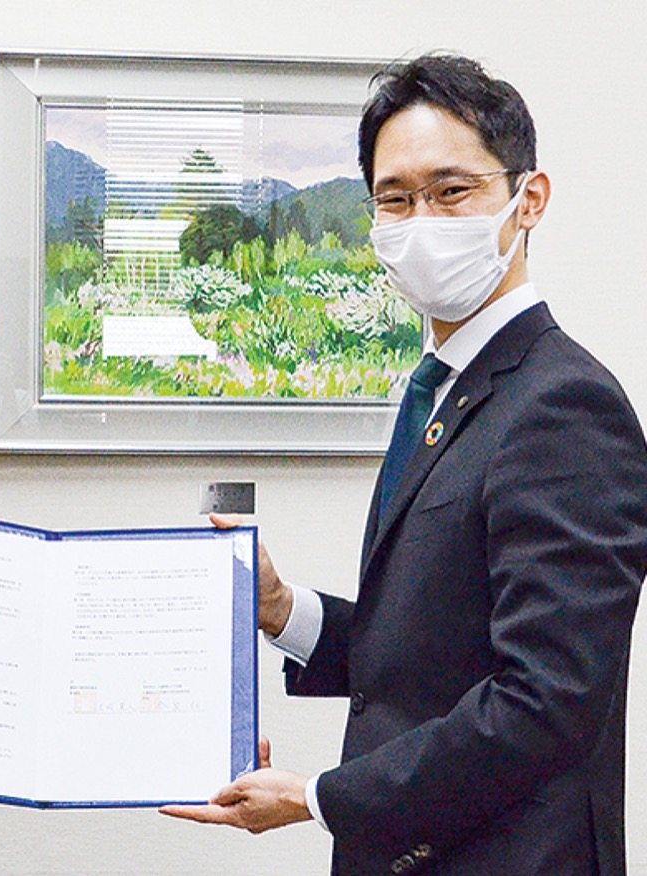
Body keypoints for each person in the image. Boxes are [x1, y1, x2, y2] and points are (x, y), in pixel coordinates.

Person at [161, 54, 647, 875]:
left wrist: (318, 797)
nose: (421, 220)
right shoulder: (446, 388)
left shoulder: (565, 405)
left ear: (529, 199)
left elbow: (545, 701)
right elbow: (428, 656)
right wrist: (281, 610)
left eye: (452, 191)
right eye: (394, 199)